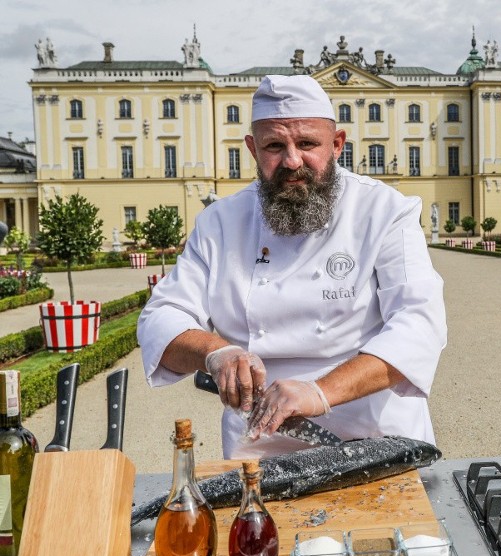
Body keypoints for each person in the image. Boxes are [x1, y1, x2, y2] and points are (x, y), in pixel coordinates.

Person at [137, 75, 447, 459]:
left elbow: (419, 324)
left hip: (376, 440)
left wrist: (320, 391)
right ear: (252, 149)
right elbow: (161, 318)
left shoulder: (385, 211)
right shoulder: (219, 223)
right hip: (261, 446)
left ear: (337, 145)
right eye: (274, 146)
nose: (292, 161)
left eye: (307, 144)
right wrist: (216, 353)